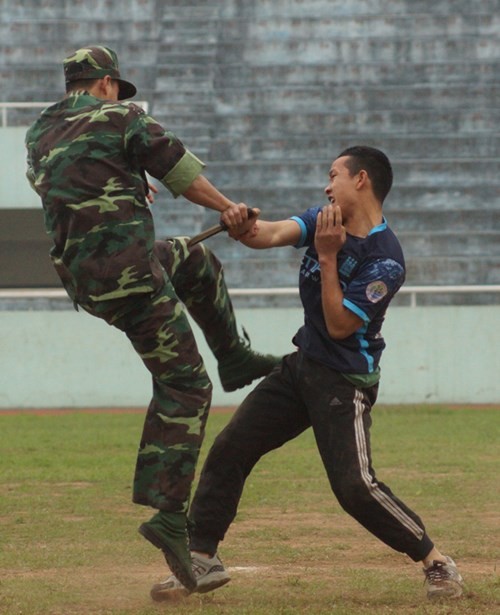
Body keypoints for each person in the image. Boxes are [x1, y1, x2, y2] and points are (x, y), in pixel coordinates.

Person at [151, 146, 464, 602]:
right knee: (230, 447)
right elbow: (270, 233)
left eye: (333, 174)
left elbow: (339, 326)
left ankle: (436, 561)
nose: (325, 184)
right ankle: (200, 558)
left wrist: (329, 257)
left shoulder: (386, 259)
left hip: (344, 380)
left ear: (360, 180)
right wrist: (240, 223)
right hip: (301, 369)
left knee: (355, 489)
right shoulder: (323, 219)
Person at [24, 45, 280, 592]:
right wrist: (227, 209)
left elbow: (65, 187)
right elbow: (182, 173)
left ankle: (234, 353)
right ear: (108, 84)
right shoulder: (124, 117)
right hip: (130, 278)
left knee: (194, 258)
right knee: (185, 386)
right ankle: (168, 516)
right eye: (116, 87)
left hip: (86, 279)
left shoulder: (39, 133)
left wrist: (124, 183)